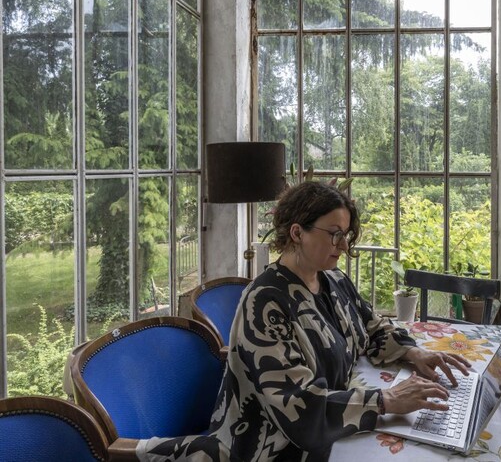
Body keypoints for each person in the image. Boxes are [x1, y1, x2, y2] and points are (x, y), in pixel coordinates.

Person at [139, 180, 471, 462]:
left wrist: (416, 355)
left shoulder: (333, 280)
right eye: (334, 234)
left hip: (331, 425)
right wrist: (386, 400)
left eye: (346, 235)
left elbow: (370, 327)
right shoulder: (265, 303)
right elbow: (299, 407)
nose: (343, 246)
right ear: (297, 232)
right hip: (274, 446)